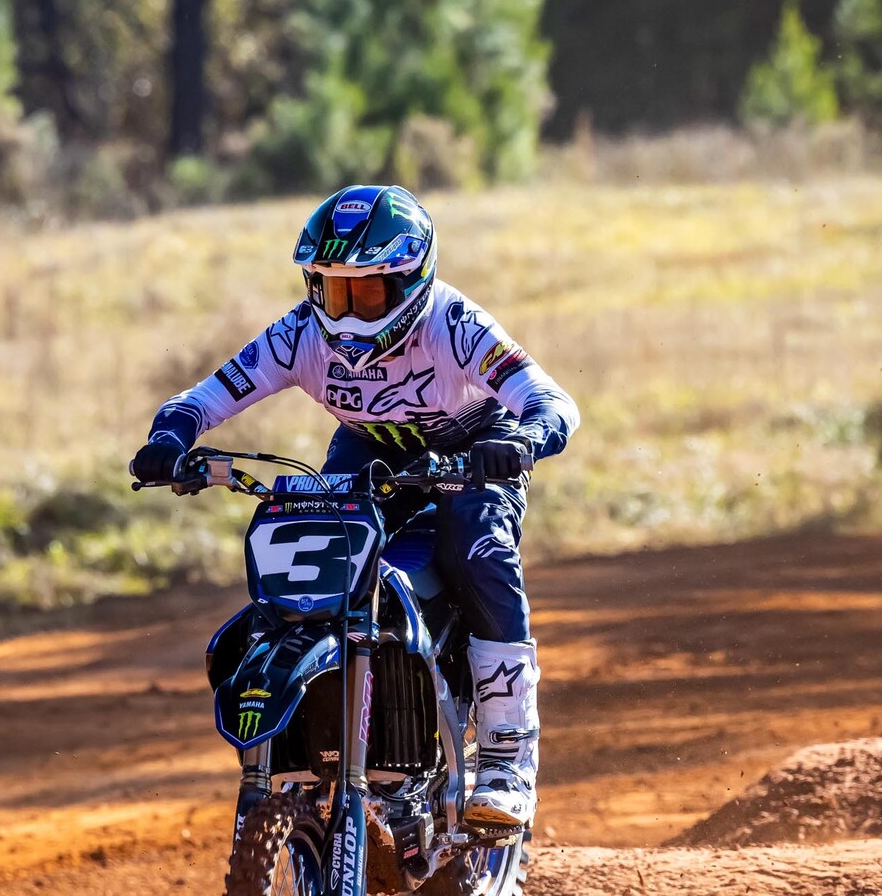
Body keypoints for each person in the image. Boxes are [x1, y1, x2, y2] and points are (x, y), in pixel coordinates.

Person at [131, 184, 577, 829]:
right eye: (332, 289)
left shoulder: (453, 324)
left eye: (365, 292)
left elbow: (552, 399)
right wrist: (169, 440)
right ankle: (340, 731)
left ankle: (508, 753)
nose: (345, 312)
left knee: (475, 549)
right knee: (318, 556)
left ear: (411, 278)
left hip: (472, 451)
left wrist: (523, 437)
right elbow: (207, 395)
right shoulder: (300, 333)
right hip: (369, 451)